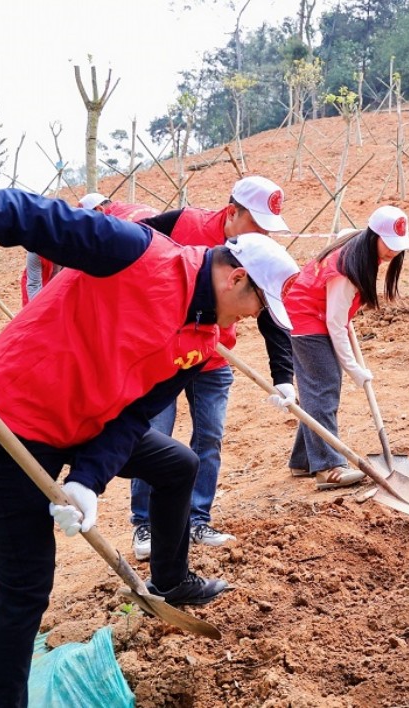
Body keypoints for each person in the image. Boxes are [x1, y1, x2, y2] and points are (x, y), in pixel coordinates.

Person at [0, 188, 299, 707]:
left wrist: (88, 480)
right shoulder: (135, 252)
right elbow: (16, 212)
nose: (251, 317)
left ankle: (170, 581)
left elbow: (133, 417)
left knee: (178, 464)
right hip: (11, 421)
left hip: (86, 422)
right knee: (25, 585)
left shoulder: (203, 341)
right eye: (257, 306)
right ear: (236, 277)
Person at [127, 175, 296, 560]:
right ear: (232, 212)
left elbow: (269, 314)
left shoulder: (259, 252)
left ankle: (197, 519)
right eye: (257, 224)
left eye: (269, 228)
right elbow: (134, 254)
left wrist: (283, 377)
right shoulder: (182, 223)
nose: (264, 235)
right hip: (162, 354)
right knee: (153, 436)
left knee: (210, 438)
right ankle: (145, 524)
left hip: (214, 357)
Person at [283, 206, 409, 487]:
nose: (393, 251)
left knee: (317, 389)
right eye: (389, 243)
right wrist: (353, 369)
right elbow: (335, 323)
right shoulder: (347, 270)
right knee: (323, 387)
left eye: (398, 245)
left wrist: (345, 317)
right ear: (373, 235)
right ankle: (327, 467)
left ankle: (303, 460)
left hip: (315, 314)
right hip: (306, 318)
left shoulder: (358, 245)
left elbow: (339, 314)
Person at [20, 193, 161, 305]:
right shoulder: (35, 249)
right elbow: (34, 285)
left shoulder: (114, 228)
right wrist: (39, 311)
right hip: (40, 287)